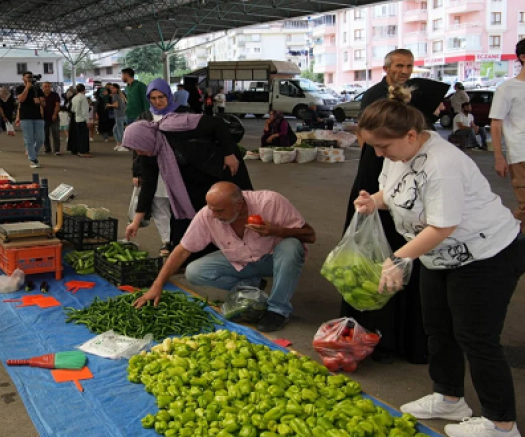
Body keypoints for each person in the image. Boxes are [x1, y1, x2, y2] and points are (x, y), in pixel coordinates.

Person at [353, 96, 523, 437]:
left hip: (485, 255)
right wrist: (374, 201)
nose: (379, 154)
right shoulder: (399, 156)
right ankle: (449, 397)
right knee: (438, 327)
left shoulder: (442, 165)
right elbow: (394, 191)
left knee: (476, 337)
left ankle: (501, 423)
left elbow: (443, 226)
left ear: (411, 135)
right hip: (438, 256)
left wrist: (399, 258)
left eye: (384, 146)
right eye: (374, 147)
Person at [340, 48, 429, 365]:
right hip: (374, 185)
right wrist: (376, 195)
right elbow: (367, 143)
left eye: (409, 65)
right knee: (375, 254)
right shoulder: (374, 98)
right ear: (386, 67)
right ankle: (374, 332)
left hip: (406, 191)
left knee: (403, 253)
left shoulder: (427, 155)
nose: (404, 70)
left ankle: (404, 337)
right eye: (399, 65)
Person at [134, 182, 314, 332]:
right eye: (211, 209)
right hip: (241, 260)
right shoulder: (207, 215)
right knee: (195, 271)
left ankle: (278, 309)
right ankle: (253, 285)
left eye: (219, 211)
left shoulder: (270, 202)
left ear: (239, 205)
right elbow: (182, 250)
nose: (213, 215)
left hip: (274, 259)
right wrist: (157, 285)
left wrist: (276, 231)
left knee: (292, 246)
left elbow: (310, 235)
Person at [123, 78, 253, 254]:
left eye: (161, 97)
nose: (138, 153)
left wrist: (229, 153)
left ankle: (241, 251)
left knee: (226, 214)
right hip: (188, 185)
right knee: (185, 225)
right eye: (153, 98)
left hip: (218, 171)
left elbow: (217, 124)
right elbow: (148, 186)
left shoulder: (178, 123)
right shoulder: (148, 150)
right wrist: (136, 221)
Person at [490, 39, 525, 230]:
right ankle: (508, 235)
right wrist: (499, 157)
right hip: (520, 155)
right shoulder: (507, 88)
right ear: (523, 57)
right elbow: (496, 123)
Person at [15, 71, 45, 168]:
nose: (30, 79)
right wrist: (27, 88)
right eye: (27, 77)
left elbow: (44, 103)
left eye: (31, 77)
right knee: (29, 139)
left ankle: (32, 152)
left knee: (41, 139)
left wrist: (39, 101)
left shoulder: (37, 89)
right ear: (23, 78)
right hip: (25, 117)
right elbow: (21, 99)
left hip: (38, 117)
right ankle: (33, 160)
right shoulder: (19, 88)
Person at [70, 84, 91, 157]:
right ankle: (83, 151)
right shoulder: (83, 98)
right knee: (83, 137)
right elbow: (85, 111)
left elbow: (72, 109)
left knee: (79, 136)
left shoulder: (74, 98)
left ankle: (79, 150)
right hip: (83, 120)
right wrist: (87, 121)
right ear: (84, 90)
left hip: (77, 119)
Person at [106, 83, 129, 152]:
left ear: (116, 89)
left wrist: (109, 105)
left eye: (112, 88)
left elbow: (116, 105)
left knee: (119, 131)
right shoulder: (121, 95)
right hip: (122, 114)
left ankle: (123, 145)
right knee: (115, 130)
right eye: (111, 88)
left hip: (119, 115)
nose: (111, 89)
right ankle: (119, 144)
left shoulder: (115, 96)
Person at [41, 82, 62, 155]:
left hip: (54, 117)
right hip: (44, 118)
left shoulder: (55, 95)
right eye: (45, 86)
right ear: (42, 87)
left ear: (51, 87)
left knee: (55, 133)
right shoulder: (40, 95)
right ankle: (47, 149)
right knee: (45, 134)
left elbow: (57, 105)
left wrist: (55, 114)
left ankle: (57, 149)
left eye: (49, 86)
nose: (47, 88)